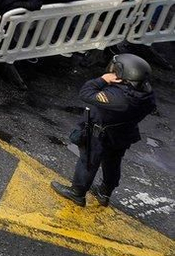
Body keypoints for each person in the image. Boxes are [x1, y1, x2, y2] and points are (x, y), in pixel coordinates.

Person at [51, 54, 158, 208]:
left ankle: (77, 193)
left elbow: (86, 93)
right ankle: (105, 193)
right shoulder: (147, 95)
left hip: (100, 135)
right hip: (122, 135)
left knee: (88, 162)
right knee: (113, 164)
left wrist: (103, 80)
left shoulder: (117, 97)